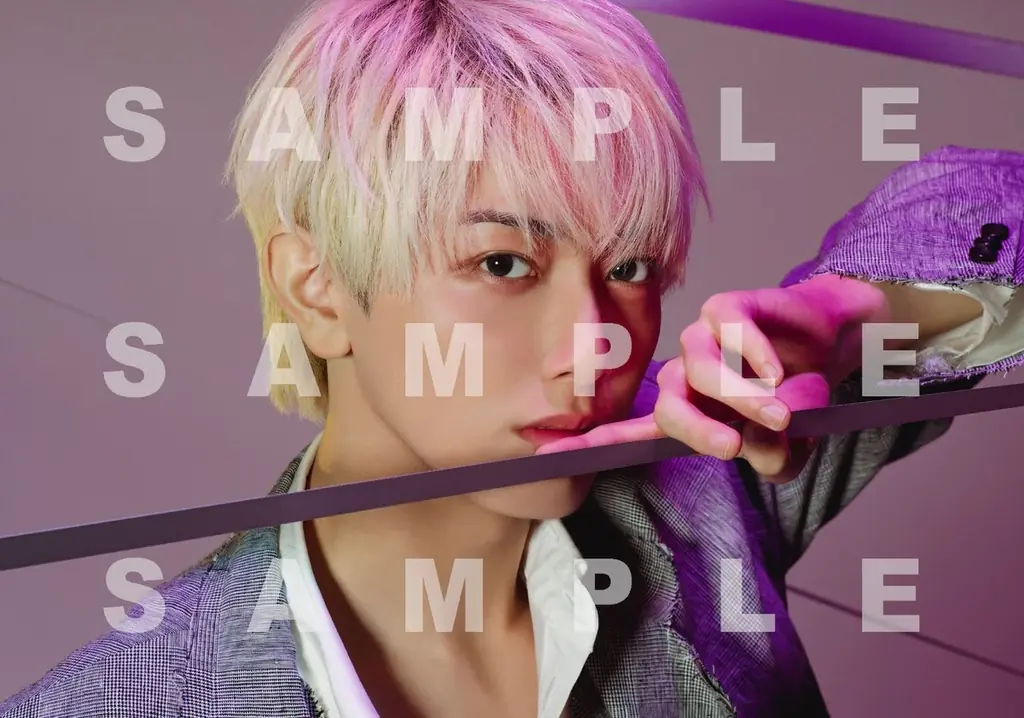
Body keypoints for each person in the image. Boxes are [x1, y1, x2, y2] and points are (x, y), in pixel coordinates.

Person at [3, 0, 1023, 716]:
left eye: (629, 266)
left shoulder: (706, 486)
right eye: (503, 263)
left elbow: (993, 203)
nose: (595, 344)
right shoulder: (123, 699)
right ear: (317, 287)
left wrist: (839, 315)